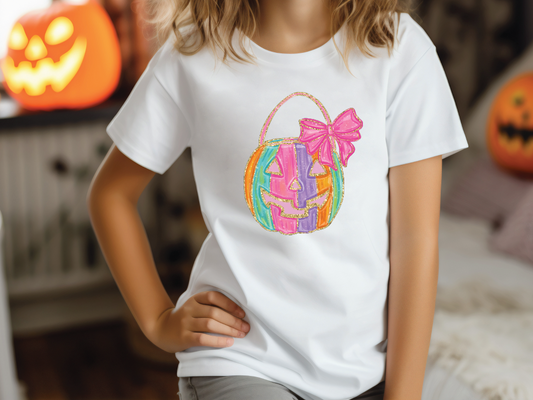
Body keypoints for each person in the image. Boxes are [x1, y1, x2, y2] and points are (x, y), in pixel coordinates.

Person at [87, 0, 469, 399]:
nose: (298, 189)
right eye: (279, 175)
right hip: (241, 360)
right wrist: (157, 320)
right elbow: (111, 194)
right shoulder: (194, 53)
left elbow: (416, 241)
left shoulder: (400, 49)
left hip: (366, 371)